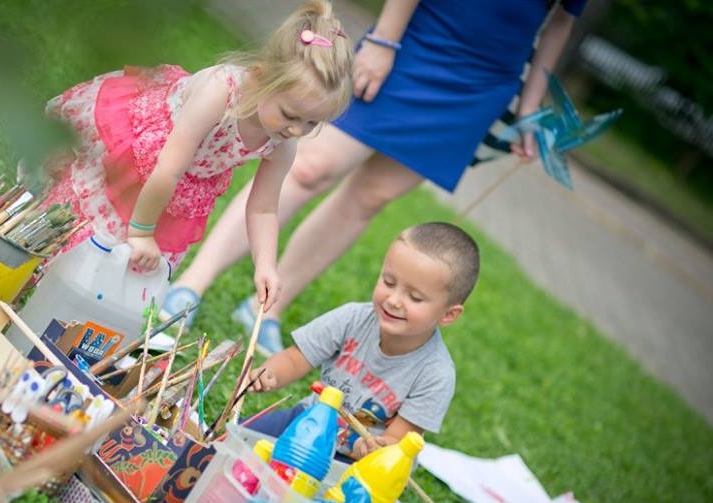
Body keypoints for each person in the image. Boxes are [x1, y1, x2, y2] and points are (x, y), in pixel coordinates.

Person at [162, 0, 585, 354]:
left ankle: (266, 308)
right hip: (418, 42)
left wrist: (528, 107)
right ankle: (194, 282)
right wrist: (384, 39)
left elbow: (562, 18)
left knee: (370, 198)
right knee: (311, 166)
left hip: (481, 86)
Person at [37, 0, 353, 312]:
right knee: (104, 215)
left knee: (136, 258)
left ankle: (93, 299)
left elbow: (264, 209)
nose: (297, 130)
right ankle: (49, 265)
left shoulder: (283, 141)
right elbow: (168, 168)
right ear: (260, 78)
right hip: (153, 151)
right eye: (290, 114)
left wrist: (266, 265)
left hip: (184, 177)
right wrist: (142, 232)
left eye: (312, 122)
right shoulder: (222, 91)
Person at [244, 222, 479, 459]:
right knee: (233, 440)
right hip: (306, 421)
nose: (394, 300)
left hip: (354, 463)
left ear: (448, 314)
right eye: (388, 282)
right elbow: (296, 358)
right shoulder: (353, 318)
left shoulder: (436, 374)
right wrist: (271, 373)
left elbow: (398, 440)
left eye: (415, 297)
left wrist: (373, 449)